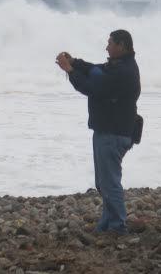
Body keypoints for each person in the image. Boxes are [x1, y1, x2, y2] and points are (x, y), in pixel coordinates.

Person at [55, 29, 141, 234]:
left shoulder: (123, 71)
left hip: (114, 132)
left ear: (122, 46)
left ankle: (117, 225)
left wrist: (70, 71)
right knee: (103, 182)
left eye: (110, 43)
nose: (107, 47)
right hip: (109, 130)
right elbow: (95, 70)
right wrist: (74, 62)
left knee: (109, 182)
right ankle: (107, 222)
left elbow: (92, 88)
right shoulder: (118, 65)